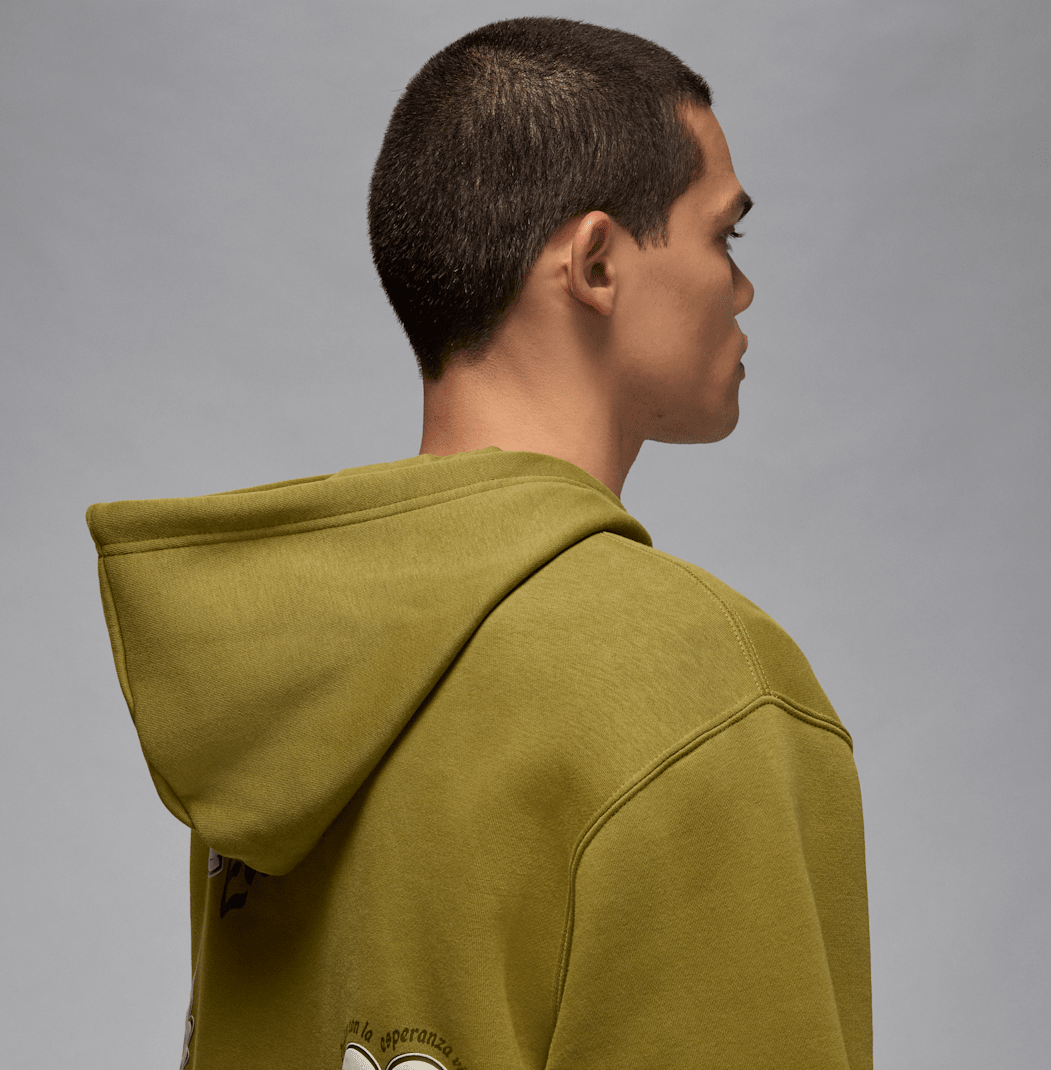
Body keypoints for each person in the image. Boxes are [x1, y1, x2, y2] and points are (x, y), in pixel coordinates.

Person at [86, 16, 871, 1070]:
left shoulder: (286, 683)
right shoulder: (709, 688)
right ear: (597, 262)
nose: (742, 287)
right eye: (723, 237)